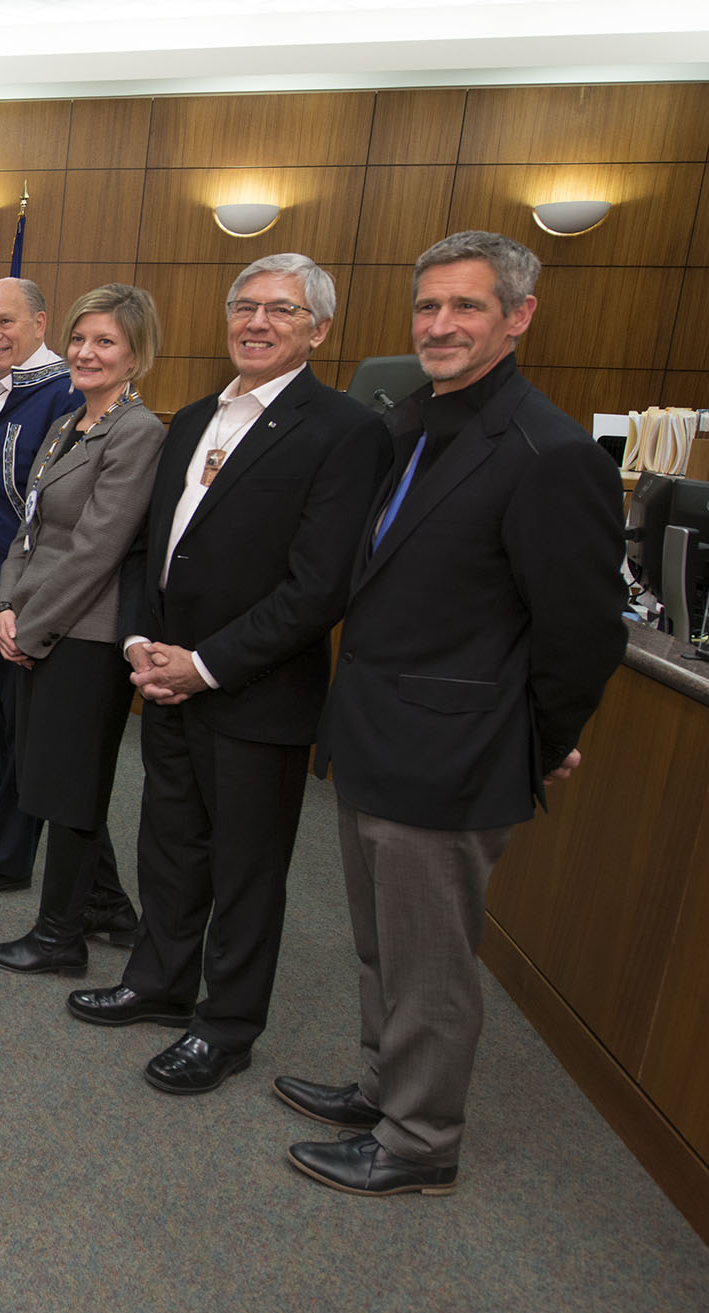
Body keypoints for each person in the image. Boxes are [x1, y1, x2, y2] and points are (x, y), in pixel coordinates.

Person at [281, 231, 625, 1197]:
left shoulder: (547, 452)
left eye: (466, 307)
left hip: (453, 753)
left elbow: (582, 632)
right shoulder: (407, 425)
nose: (439, 324)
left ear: (517, 316)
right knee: (380, 940)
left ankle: (420, 1141)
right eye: (429, 306)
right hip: (375, 729)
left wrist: (532, 743)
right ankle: (384, 1085)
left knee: (432, 961)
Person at [64, 256, 389, 1097]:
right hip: (163, 678)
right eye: (244, 306)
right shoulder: (195, 417)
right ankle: (160, 982)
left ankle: (226, 1024)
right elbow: (150, 548)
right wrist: (141, 641)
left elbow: (319, 586)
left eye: (280, 310)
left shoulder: (344, 430)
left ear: (317, 329)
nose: (255, 321)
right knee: (169, 845)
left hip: (254, 692)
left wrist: (205, 665)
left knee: (247, 870)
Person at [0, 278, 131, 944]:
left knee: (29, 747)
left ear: (39, 322)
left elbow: (52, 519)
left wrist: (22, 603)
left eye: (6, 322)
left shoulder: (62, 395)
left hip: (24, 606)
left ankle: (10, 853)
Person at [0, 284, 166, 977]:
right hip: (34, 617)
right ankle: (109, 905)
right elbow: (27, 526)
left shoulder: (139, 432)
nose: (86, 353)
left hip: (84, 636)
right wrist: (6, 603)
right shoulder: (69, 424)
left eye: (106, 342)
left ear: (135, 354)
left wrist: (30, 625)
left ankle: (60, 937)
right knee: (53, 775)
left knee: (69, 784)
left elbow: (98, 548)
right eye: (81, 339)